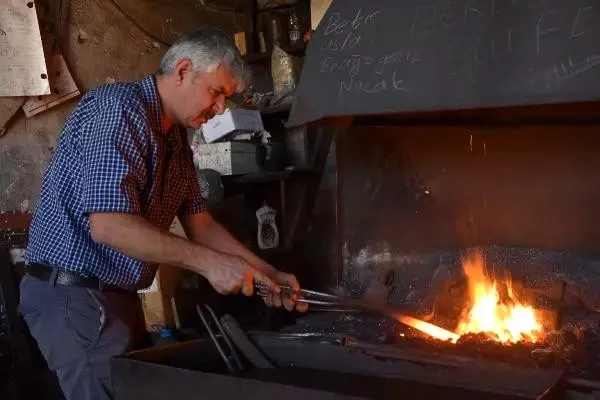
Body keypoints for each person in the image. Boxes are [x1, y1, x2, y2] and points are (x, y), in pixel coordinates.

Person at [18, 27, 307, 400]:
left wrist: (267, 275)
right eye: (217, 92)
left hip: (113, 298)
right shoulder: (118, 110)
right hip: (74, 297)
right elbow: (109, 226)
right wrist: (209, 265)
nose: (221, 109)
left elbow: (201, 224)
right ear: (183, 70)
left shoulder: (174, 139)